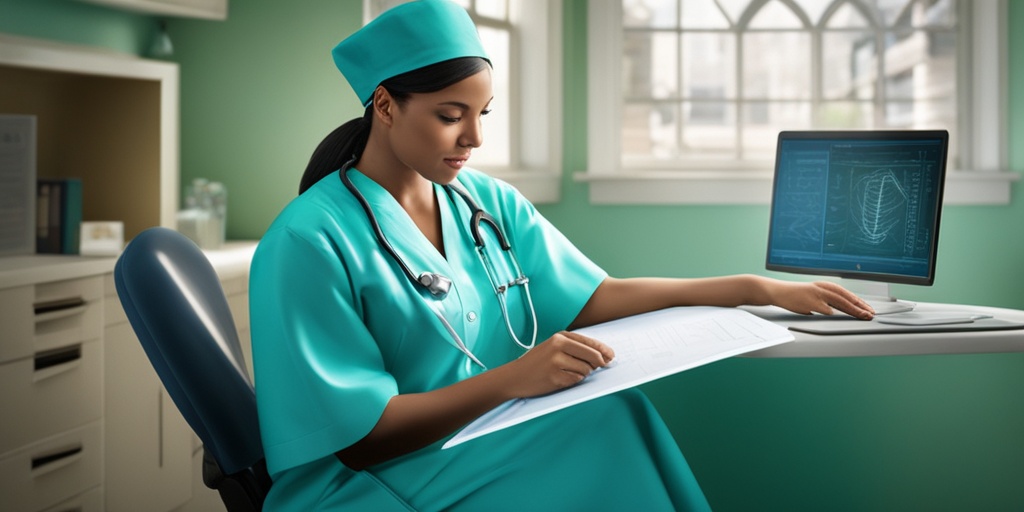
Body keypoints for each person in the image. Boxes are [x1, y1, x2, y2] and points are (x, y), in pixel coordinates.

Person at [249, 1, 875, 510]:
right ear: (385, 106)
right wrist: (514, 380)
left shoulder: (483, 201)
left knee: (617, 410)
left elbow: (591, 298)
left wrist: (747, 286)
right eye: (450, 116)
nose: (474, 138)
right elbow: (360, 440)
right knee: (599, 431)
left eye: (482, 113)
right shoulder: (308, 242)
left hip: (472, 440)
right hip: (365, 484)